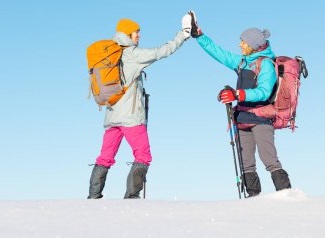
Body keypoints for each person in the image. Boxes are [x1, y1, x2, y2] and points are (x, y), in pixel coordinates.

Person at [88, 14, 193, 199]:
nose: (139, 36)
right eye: (136, 32)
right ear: (128, 33)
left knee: (104, 157)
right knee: (143, 155)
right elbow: (162, 52)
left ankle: (93, 196)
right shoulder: (132, 54)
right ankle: (131, 197)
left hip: (112, 118)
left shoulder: (112, 54)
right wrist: (182, 35)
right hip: (131, 118)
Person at [189, 11, 291, 196]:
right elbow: (220, 54)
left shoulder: (265, 64)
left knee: (270, 160)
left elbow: (264, 92)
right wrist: (200, 36)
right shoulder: (243, 62)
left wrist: (237, 94)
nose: (240, 44)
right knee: (246, 163)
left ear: (252, 45)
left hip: (261, 119)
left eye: (243, 42)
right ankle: (253, 200)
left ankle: (287, 196)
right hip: (242, 118)